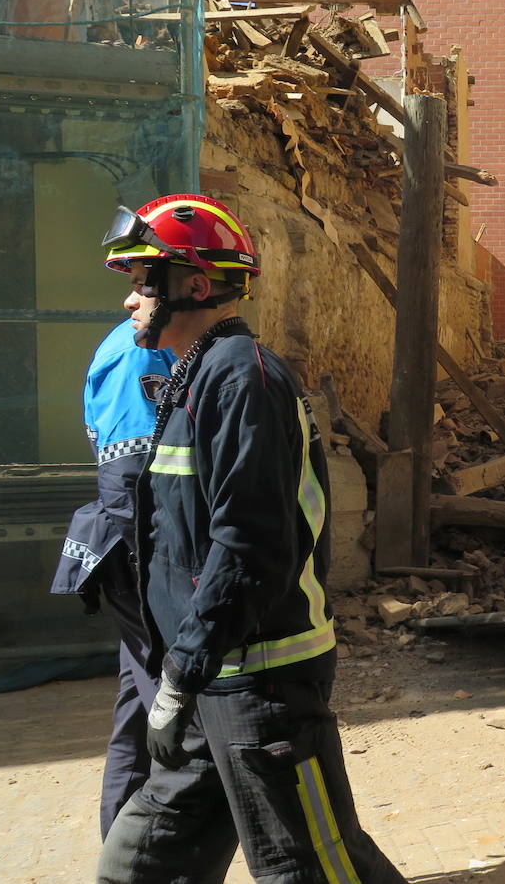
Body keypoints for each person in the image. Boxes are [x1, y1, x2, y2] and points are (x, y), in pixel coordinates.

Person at [95, 194, 406, 884]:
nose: (131, 301)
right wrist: (180, 668)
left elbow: (247, 548)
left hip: (261, 687)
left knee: (313, 869)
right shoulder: (195, 376)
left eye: (146, 280)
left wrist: (182, 668)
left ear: (196, 286)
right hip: (210, 681)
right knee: (137, 865)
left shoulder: (243, 379)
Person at [52, 321, 176, 838]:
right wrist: (166, 569)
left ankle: (124, 854)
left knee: (137, 711)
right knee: (178, 716)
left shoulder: (158, 346)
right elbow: (129, 474)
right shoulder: (140, 352)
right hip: (142, 553)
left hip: (136, 550)